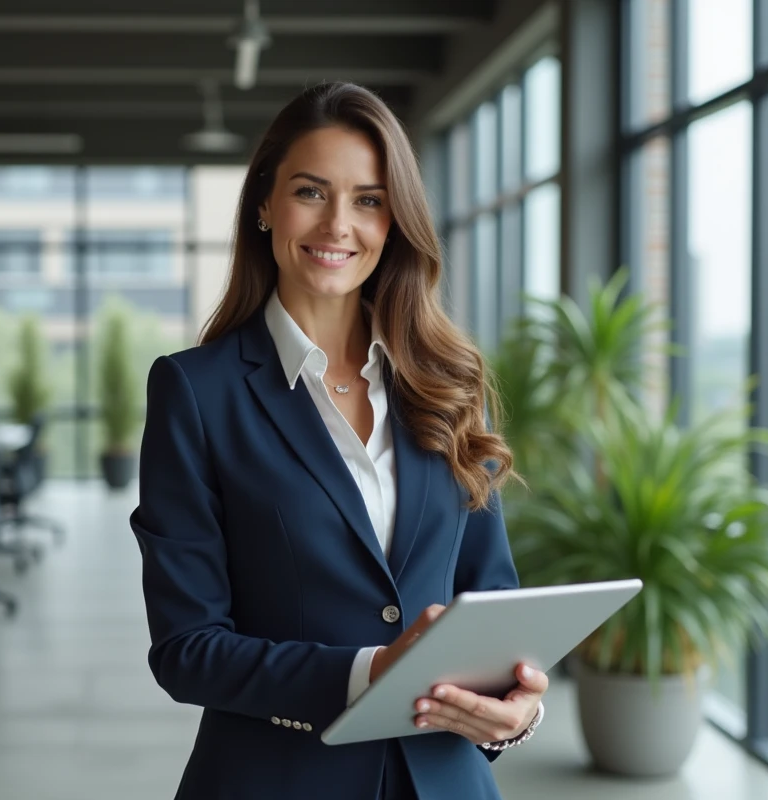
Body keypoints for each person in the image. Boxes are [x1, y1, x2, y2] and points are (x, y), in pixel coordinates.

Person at [129, 81, 548, 800]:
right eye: (311, 192)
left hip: (446, 781)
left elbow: (491, 605)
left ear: (395, 220)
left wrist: (516, 712)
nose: (338, 227)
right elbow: (186, 649)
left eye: (368, 200)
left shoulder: (448, 382)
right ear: (264, 204)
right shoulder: (196, 393)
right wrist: (370, 671)